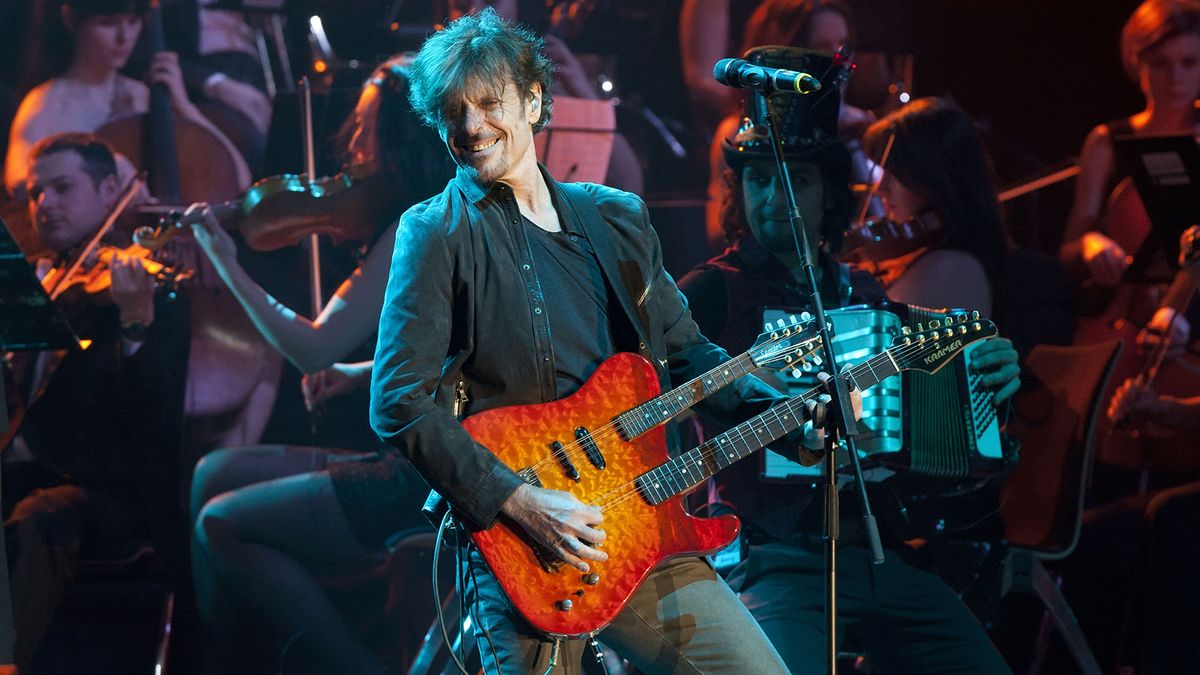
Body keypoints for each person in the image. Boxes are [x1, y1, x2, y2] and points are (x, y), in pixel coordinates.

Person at [369, 9, 828, 673]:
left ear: (533, 100)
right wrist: (519, 501)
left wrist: (790, 418)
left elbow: (691, 357)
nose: (469, 127)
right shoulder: (434, 231)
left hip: (644, 525)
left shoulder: (615, 217)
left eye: (489, 103)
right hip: (523, 545)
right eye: (452, 111)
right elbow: (397, 401)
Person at [677, 45, 1020, 674]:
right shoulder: (711, 290)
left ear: (830, 192)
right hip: (772, 557)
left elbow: (921, 437)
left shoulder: (864, 294)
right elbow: (654, 399)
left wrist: (987, 380)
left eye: (796, 178)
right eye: (758, 178)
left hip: (883, 554)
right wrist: (742, 384)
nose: (774, 195)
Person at [187, 57, 455, 675]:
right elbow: (455, 359)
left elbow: (311, 346)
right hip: (431, 449)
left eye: (368, 130)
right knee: (211, 472)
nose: (353, 147)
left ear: (409, 134)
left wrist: (227, 264)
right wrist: (359, 375)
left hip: (431, 477)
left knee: (220, 522)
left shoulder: (418, 227)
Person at [3, 132, 190, 671]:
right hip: (30, 470)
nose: (45, 204)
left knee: (41, 518)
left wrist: (134, 326)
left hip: (109, 489)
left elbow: (154, 426)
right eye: (36, 194)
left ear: (111, 190)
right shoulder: (37, 281)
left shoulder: (151, 289)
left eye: (62, 188)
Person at [5, 0, 250, 200]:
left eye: (133, 22)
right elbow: (18, 181)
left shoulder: (143, 94)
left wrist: (183, 106)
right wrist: (104, 165)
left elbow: (239, 179)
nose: (125, 37)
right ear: (71, 20)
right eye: (108, 24)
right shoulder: (48, 101)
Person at [1058, 0, 1200, 342]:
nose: (1176, 78)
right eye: (1160, 63)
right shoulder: (1107, 142)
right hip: (1121, 322)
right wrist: (1091, 244)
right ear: (1138, 63)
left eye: (1190, 62)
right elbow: (1068, 251)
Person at [701, 0, 874, 250]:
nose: (839, 63)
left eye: (843, 48)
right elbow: (720, 234)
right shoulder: (737, 131)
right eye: (822, 49)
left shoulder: (859, 123)